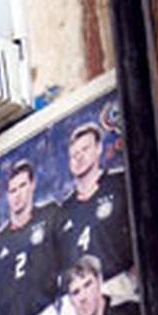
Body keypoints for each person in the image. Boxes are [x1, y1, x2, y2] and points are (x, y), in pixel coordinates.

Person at [55, 124, 134, 291]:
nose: (79, 157)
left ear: (98, 148)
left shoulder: (120, 183)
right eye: (74, 154)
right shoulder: (64, 210)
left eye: (85, 149)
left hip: (120, 285)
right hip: (81, 296)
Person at [0, 160, 61, 315]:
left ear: (32, 184)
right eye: (12, 190)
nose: (17, 195)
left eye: (22, 186)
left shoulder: (50, 214)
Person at [56, 255, 141, 315]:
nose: (83, 297)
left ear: (99, 281)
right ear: (70, 299)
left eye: (87, 285)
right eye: (76, 292)